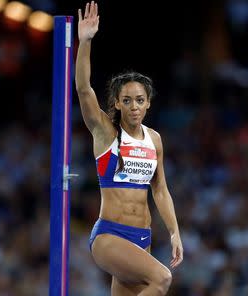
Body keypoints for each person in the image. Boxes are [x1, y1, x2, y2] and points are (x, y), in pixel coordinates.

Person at [75, 2, 183, 295]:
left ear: (148, 103)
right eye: (127, 100)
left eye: (139, 100)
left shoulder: (155, 140)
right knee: (161, 279)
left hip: (142, 237)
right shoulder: (105, 132)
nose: (133, 106)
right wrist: (85, 41)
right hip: (110, 236)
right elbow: (84, 89)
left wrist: (174, 231)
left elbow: (160, 190)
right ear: (116, 104)